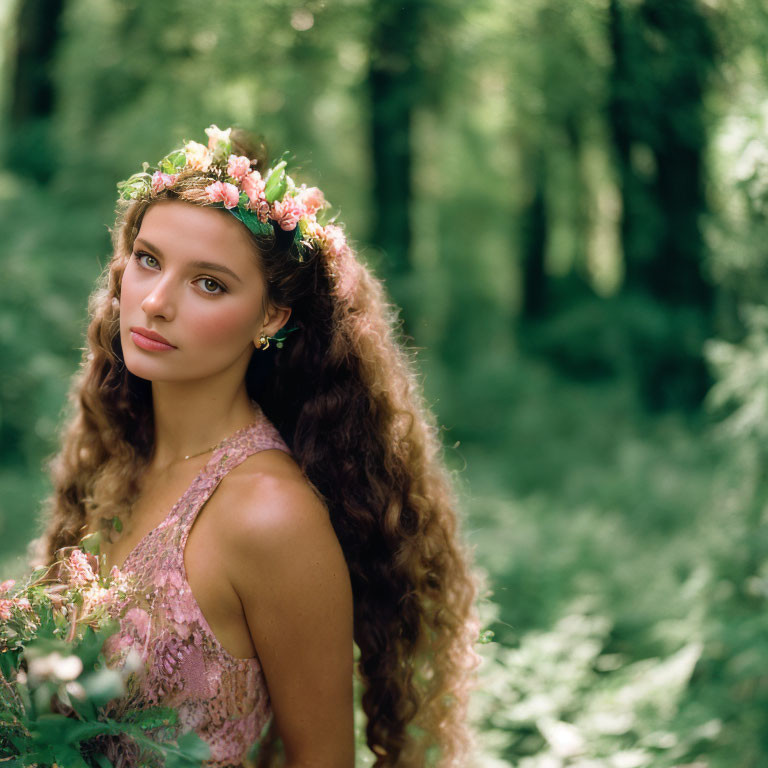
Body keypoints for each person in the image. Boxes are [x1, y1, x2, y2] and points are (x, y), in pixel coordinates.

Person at [33, 124, 483, 767]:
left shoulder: (270, 517)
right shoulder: (120, 458)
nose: (155, 302)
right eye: (148, 259)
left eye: (209, 283)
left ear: (271, 317)